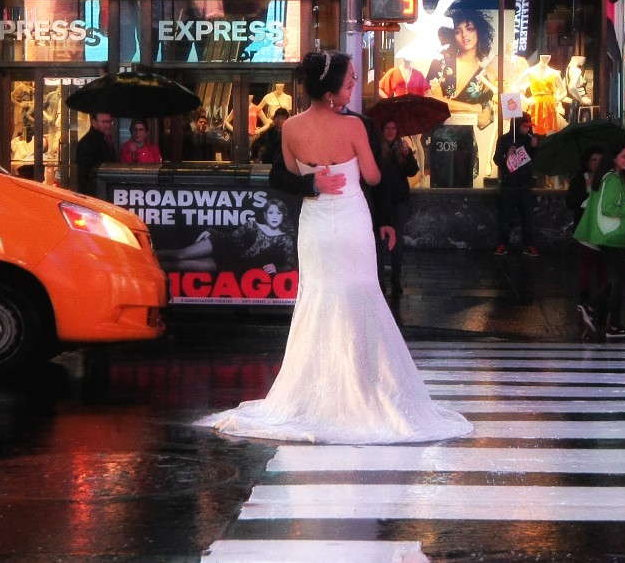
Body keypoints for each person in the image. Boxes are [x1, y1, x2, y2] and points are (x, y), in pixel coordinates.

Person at [195, 51, 471, 444]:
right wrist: (366, 161)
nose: (355, 83)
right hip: (351, 220)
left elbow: (290, 171)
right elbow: (373, 176)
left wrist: (313, 180)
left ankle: (319, 391)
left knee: (318, 299)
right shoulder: (357, 127)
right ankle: (360, 387)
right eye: (350, 79)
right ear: (330, 90)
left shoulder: (291, 128)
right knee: (359, 295)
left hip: (316, 224)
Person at [573, 141, 625, 340]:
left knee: (618, 278)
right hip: (612, 234)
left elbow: (610, 204)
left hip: (606, 234)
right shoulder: (613, 179)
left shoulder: (606, 177)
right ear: (614, 158)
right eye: (624, 156)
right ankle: (613, 325)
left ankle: (592, 308)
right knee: (618, 281)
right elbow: (608, 208)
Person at [427, 7, 496, 188]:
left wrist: (444, 101)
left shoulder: (485, 76)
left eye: (470, 29)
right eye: (458, 31)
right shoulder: (440, 65)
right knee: (440, 194)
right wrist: (473, 108)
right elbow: (429, 103)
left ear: (479, 32)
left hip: (465, 144)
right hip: (439, 141)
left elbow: (484, 119)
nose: (464, 35)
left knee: (464, 195)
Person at [157, 200, 295, 275]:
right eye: (271, 213)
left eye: (278, 213)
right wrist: (212, 232)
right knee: (179, 255)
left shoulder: (285, 239)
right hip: (220, 244)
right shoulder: (252, 224)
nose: (275, 217)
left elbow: (290, 263)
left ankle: (148, 272)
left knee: (180, 264)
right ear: (265, 215)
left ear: (283, 215)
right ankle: (144, 259)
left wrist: (277, 267)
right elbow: (231, 237)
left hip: (231, 264)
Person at [376, 119, 419, 297]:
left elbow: (412, 171)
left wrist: (407, 154)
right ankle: (380, 281)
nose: (391, 131)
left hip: (399, 200)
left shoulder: (402, 148)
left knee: (397, 241)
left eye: (393, 128)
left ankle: (396, 278)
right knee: (380, 242)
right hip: (381, 200)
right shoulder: (377, 148)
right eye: (387, 128)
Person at [566, 146, 606, 332]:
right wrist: (586, 189)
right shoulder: (579, 180)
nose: (597, 163)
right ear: (587, 163)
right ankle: (584, 297)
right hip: (585, 226)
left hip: (602, 227)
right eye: (593, 160)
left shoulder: (607, 179)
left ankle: (601, 297)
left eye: (600, 160)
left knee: (602, 264)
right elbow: (571, 202)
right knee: (586, 262)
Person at [492, 115, 540, 256]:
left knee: (528, 217)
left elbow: (535, 159)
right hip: (509, 185)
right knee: (505, 216)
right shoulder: (504, 140)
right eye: (524, 126)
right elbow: (497, 159)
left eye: (528, 127)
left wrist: (534, 148)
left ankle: (529, 244)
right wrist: (506, 155)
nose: (527, 129)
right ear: (517, 126)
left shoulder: (530, 139)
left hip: (525, 184)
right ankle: (502, 243)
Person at [512, 53, 567, 135]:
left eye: (548, 56)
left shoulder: (554, 73)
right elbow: (514, 86)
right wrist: (526, 100)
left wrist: (558, 99)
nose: (546, 57)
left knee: (550, 132)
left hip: (549, 106)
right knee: (535, 131)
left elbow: (564, 91)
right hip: (535, 105)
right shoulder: (530, 71)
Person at [74, 111, 117, 195]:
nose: (108, 125)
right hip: (95, 193)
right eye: (104, 122)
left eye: (109, 121)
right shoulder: (87, 143)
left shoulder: (105, 139)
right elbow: (86, 174)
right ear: (94, 122)